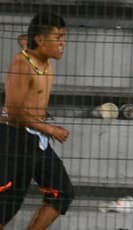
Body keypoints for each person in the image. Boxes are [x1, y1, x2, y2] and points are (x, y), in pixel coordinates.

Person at [1, 12, 72, 230]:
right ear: (41, 40)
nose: (63, 43)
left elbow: (26, 39)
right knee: (6, 205)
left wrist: (31, 41)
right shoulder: (22, 64)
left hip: (36, 140)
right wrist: (49, 128)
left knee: (62, 191)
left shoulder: (42, 58)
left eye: (64, 36)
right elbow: (13, 112)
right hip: (15, 139)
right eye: (58, 37)